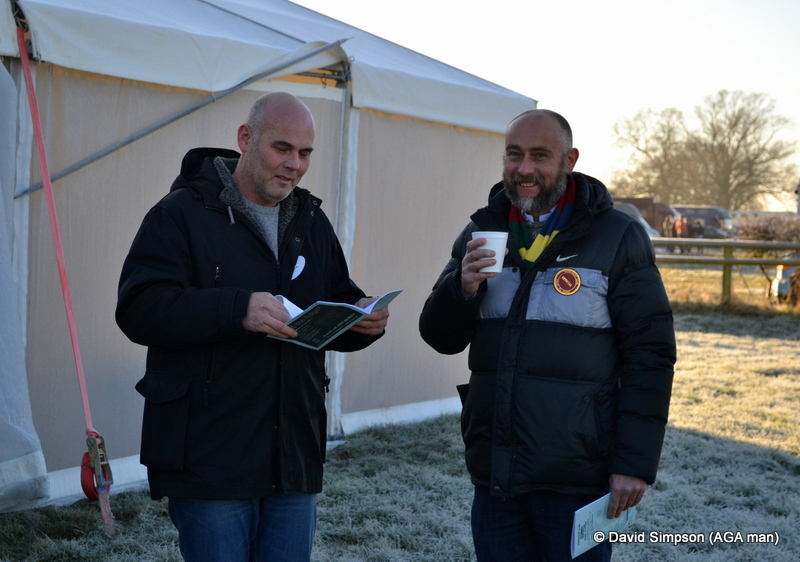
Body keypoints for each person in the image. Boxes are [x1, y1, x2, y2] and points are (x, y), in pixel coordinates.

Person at [116, 92, 390, 562]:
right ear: (245, 139)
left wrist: (362, 318)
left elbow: (335, 298)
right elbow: (139, 307)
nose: (295, 165)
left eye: (305, 154)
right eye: (282, 148)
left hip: (293, 457)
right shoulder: (179, 214)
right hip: (209, 460)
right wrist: (235, 309)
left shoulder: (310, 220)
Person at [419, 109, 675, 562]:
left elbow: (650, 357)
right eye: (514, 155)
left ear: (569, 160)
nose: (524, 169)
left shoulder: (618, 237)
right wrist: (460, 288)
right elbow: (440, 337)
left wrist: (633, 466)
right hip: (498, 476)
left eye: (540, 156)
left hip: (579, 480)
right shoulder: (483, 230)